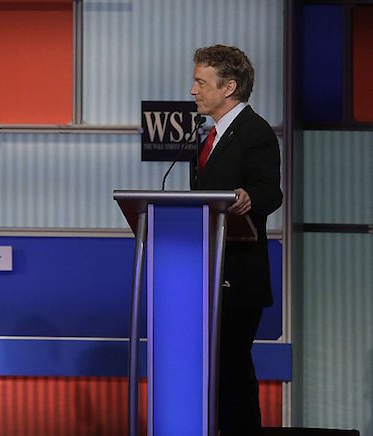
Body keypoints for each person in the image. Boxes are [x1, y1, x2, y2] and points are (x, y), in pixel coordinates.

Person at [189, 45, 282, 435]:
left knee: (232, 369)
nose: (193, 90)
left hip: (238, 277)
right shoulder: (209, 137)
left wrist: (247, 197)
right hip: (210, 272)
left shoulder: (254, 132)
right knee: (218, 371)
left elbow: (270, 192)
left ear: (229, 87)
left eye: (200, 82)